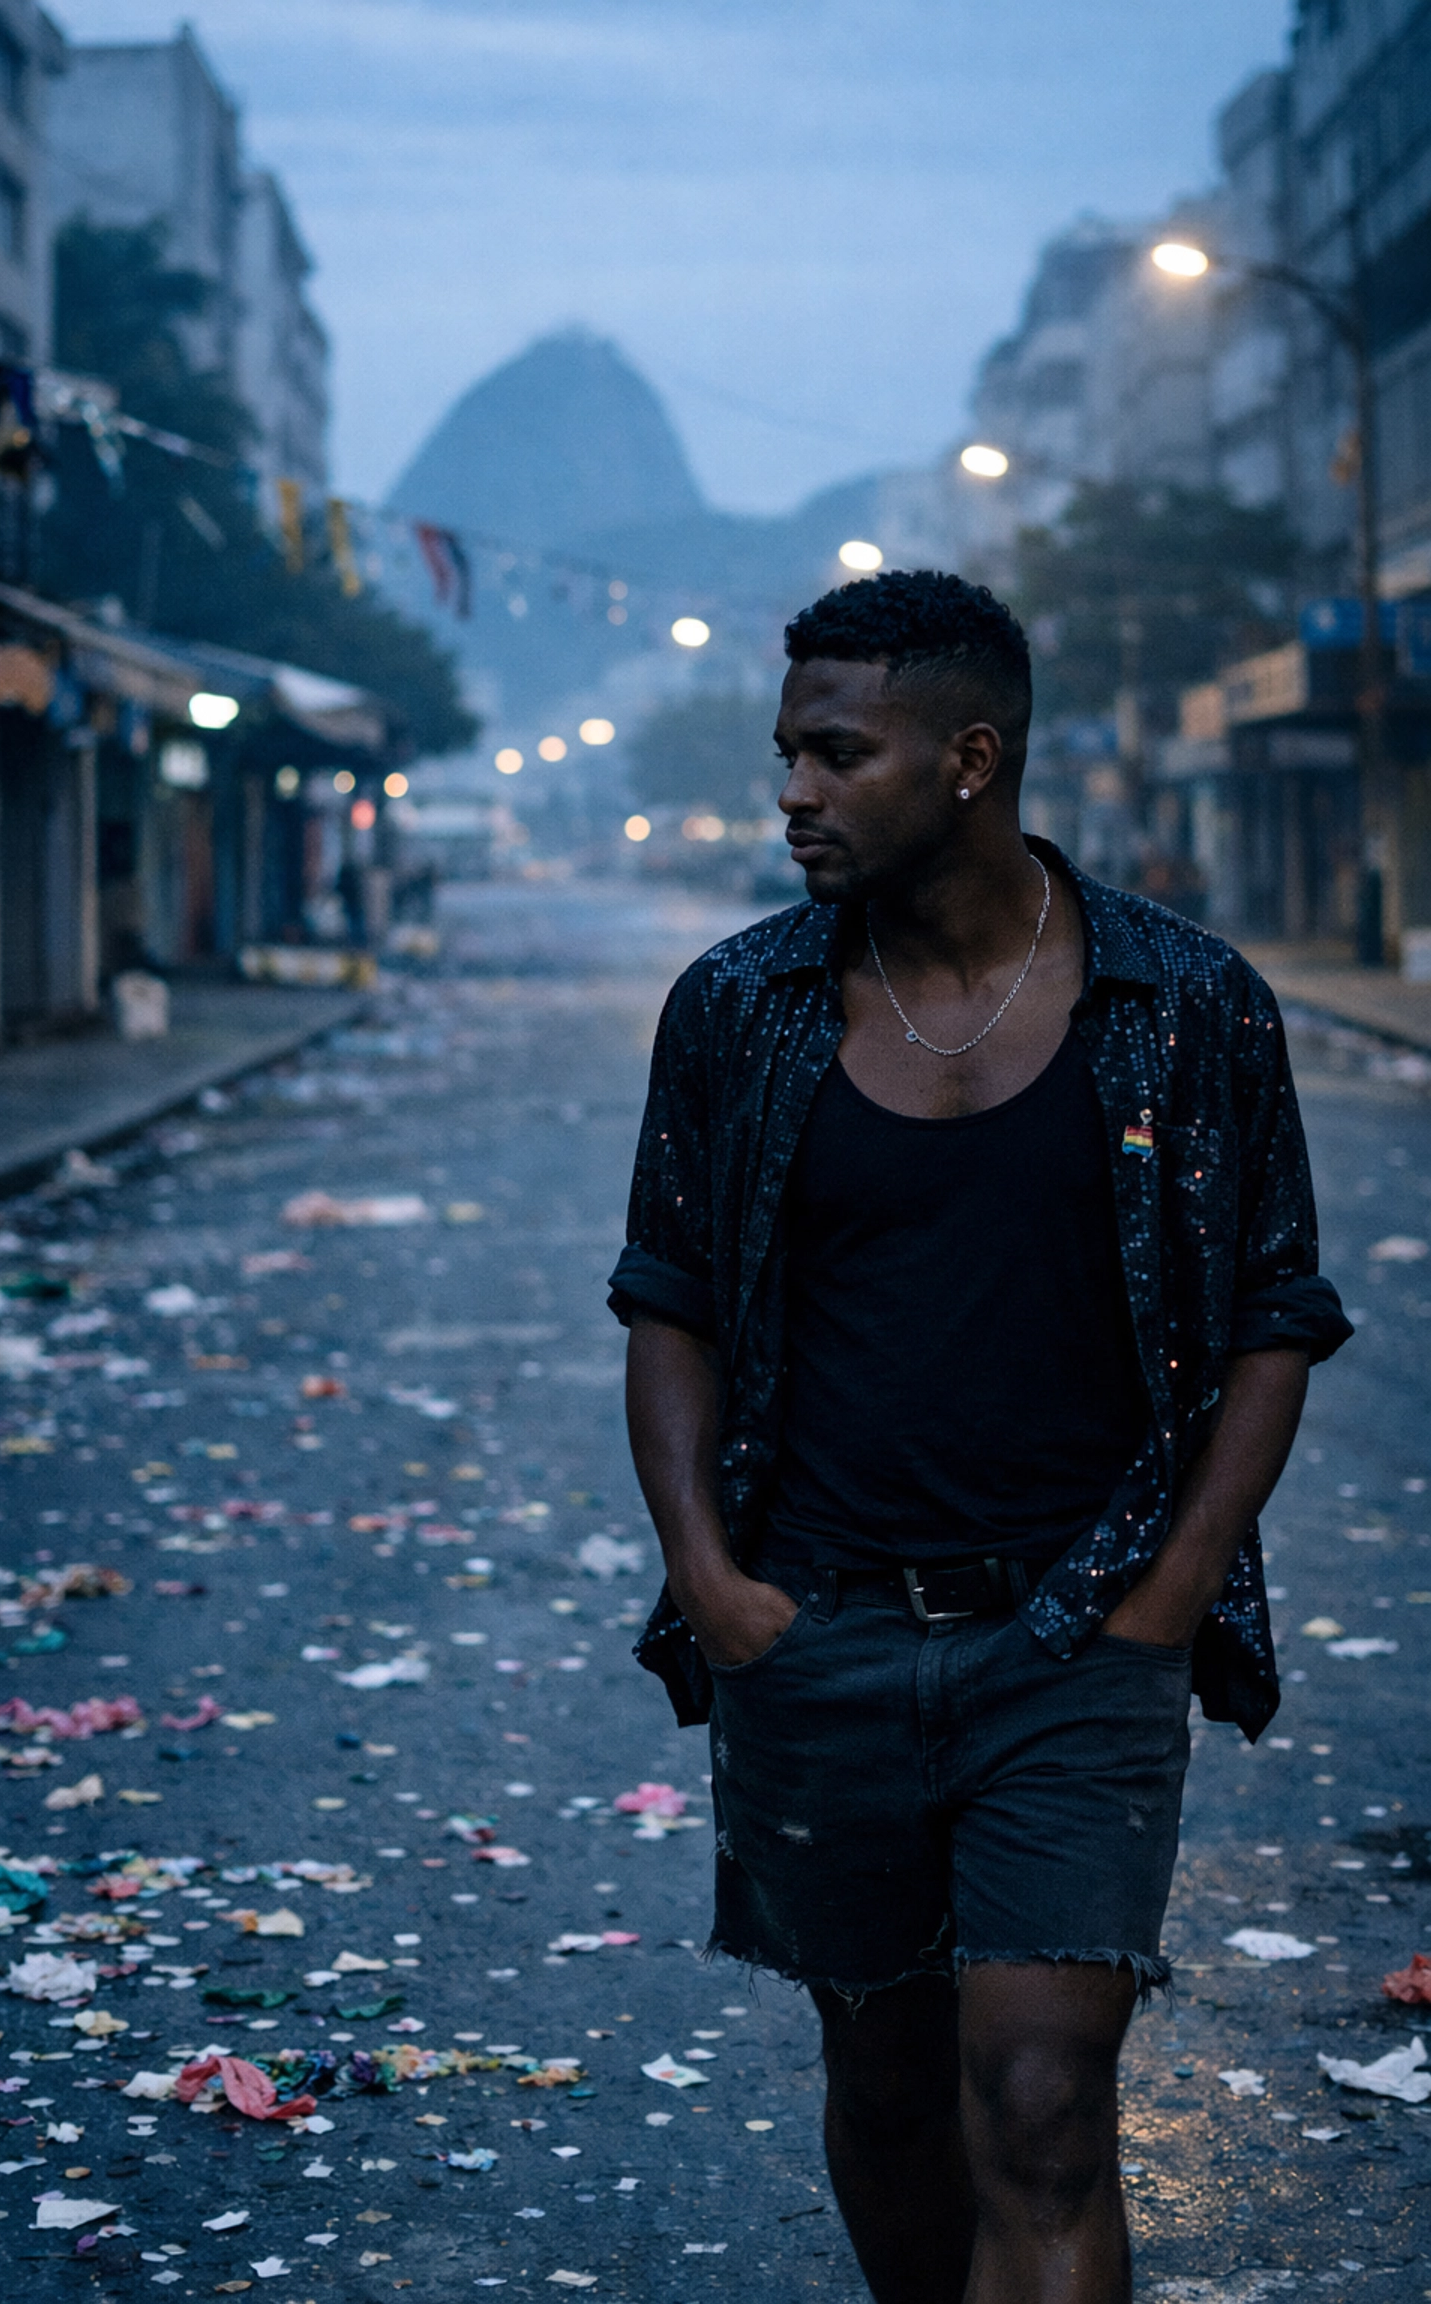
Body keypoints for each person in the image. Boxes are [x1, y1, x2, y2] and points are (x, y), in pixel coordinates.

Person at [608, 569, 1350, 2304]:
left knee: (1040, 2102)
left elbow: (1273, 1317)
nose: (791, 790)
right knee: (882, 2087)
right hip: (822, 1630)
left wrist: (1168, 1595)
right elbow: (672, 1308)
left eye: (834, 754)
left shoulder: (1188, 1004)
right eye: (786, 752)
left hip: (1078, 1635)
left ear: (970, 757)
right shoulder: (741, 1007)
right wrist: (711, 1582)